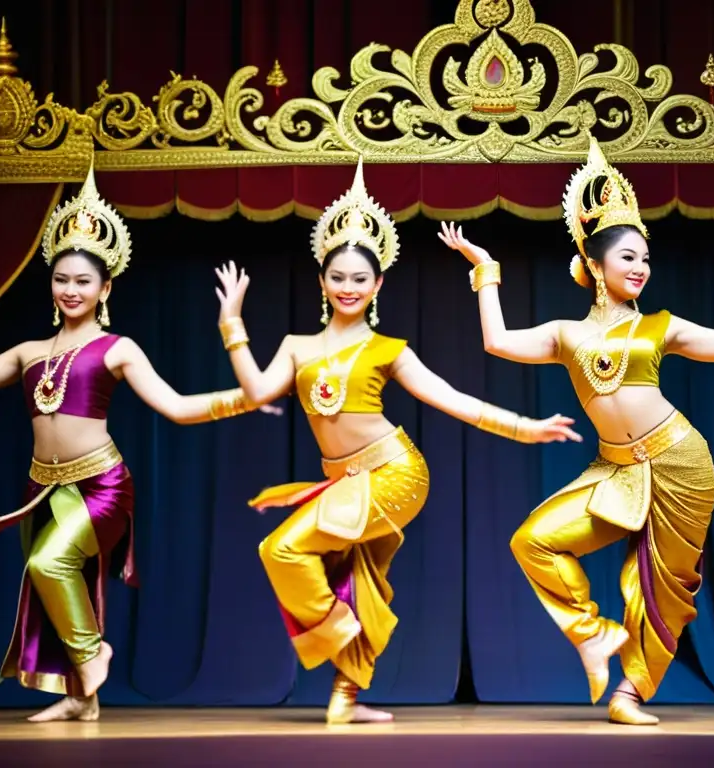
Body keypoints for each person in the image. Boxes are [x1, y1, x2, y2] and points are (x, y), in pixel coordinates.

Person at [438, 135, 714, 724]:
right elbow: (497, 342)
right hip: (615, 468)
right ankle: (592, 635)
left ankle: (630, 694)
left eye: (645, 258)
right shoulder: (567, 334)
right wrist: (486, 272)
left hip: (680, 464)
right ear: (594, 263)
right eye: (627, 257)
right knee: (533, 540)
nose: (640, 268)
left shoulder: (662, 327)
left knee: (659, 589)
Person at [213, 157, 581, 724]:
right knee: (353, 578)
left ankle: (340, 633)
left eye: (361, 278)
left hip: (394, 473)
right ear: (321, 281)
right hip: (343, 483)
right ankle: (347, 696)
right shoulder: (294, 346)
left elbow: (450, 398)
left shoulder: (389, 349)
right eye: (338, 277)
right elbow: (259, 389)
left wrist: (524, 427)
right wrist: (232, 325)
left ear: (378, 283)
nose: (348, 287)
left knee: (281, 548)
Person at [0, 167, 277, 722]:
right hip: (41, 488)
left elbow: (175, 406)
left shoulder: (117, 348)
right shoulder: (28, 352)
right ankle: (83, 698)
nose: (71, 290)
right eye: (61, 280)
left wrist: (245, 397)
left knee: (50, 564)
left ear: (105, 288)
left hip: (100, 483)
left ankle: (92, 653)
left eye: (83, 281)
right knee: (57, 579)